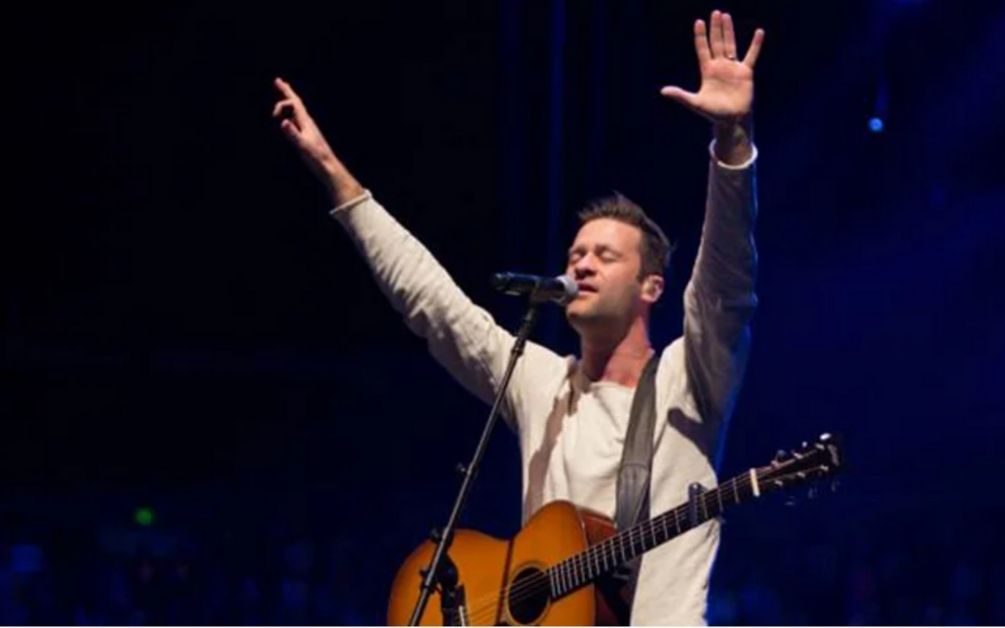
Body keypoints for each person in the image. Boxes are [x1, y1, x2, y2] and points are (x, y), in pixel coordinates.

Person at [273, 10, 763, 624]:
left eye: (604, 256)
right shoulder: (542, 382)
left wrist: (731, 144)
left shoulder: (692, 380)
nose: (581, 265)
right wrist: (333, 174)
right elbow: (436, 307)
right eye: (575, 254)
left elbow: (726, 283)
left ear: (651, 287)